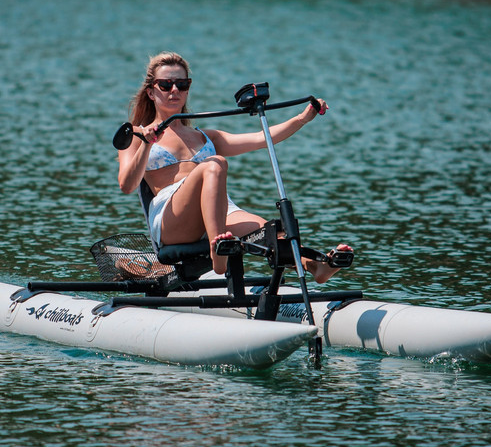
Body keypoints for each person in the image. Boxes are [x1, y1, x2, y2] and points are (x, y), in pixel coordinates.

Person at [117, 51, 349, 284]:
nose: (175, 90)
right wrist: (147, 144)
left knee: (270, 233)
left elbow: (262, 138)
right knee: (215, 165)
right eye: (166, 85)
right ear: (151, 91)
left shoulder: (206, 137)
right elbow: (127, 185)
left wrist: (302, 119)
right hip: (173, 220)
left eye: (182, 84)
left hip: (220, 210)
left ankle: (316, 267)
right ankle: (218, 252)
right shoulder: (136, 133)